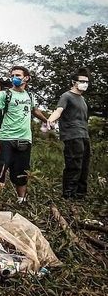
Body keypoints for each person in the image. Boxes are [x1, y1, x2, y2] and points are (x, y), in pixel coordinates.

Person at [0, 65, 49, 207]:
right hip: (6, 138)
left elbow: (35, 111)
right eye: (13, 75)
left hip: (25, 139)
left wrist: (47, 120)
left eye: (18, 75)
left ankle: (22, 200)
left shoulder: (30, 96)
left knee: (22, 170)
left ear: (26, 78)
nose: (14, 78)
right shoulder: (5, 95)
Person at [47, 67, 91, 199]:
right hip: (72, 136)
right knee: (74, 166)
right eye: (82, 81)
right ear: (74, 82)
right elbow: (59, 110)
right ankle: (69, 195)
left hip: (84, 135)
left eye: (87, 82)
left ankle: (80, 195)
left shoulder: (82, 99)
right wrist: (50, 119)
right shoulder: (66, 96)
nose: (85, 84)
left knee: (84, 166)